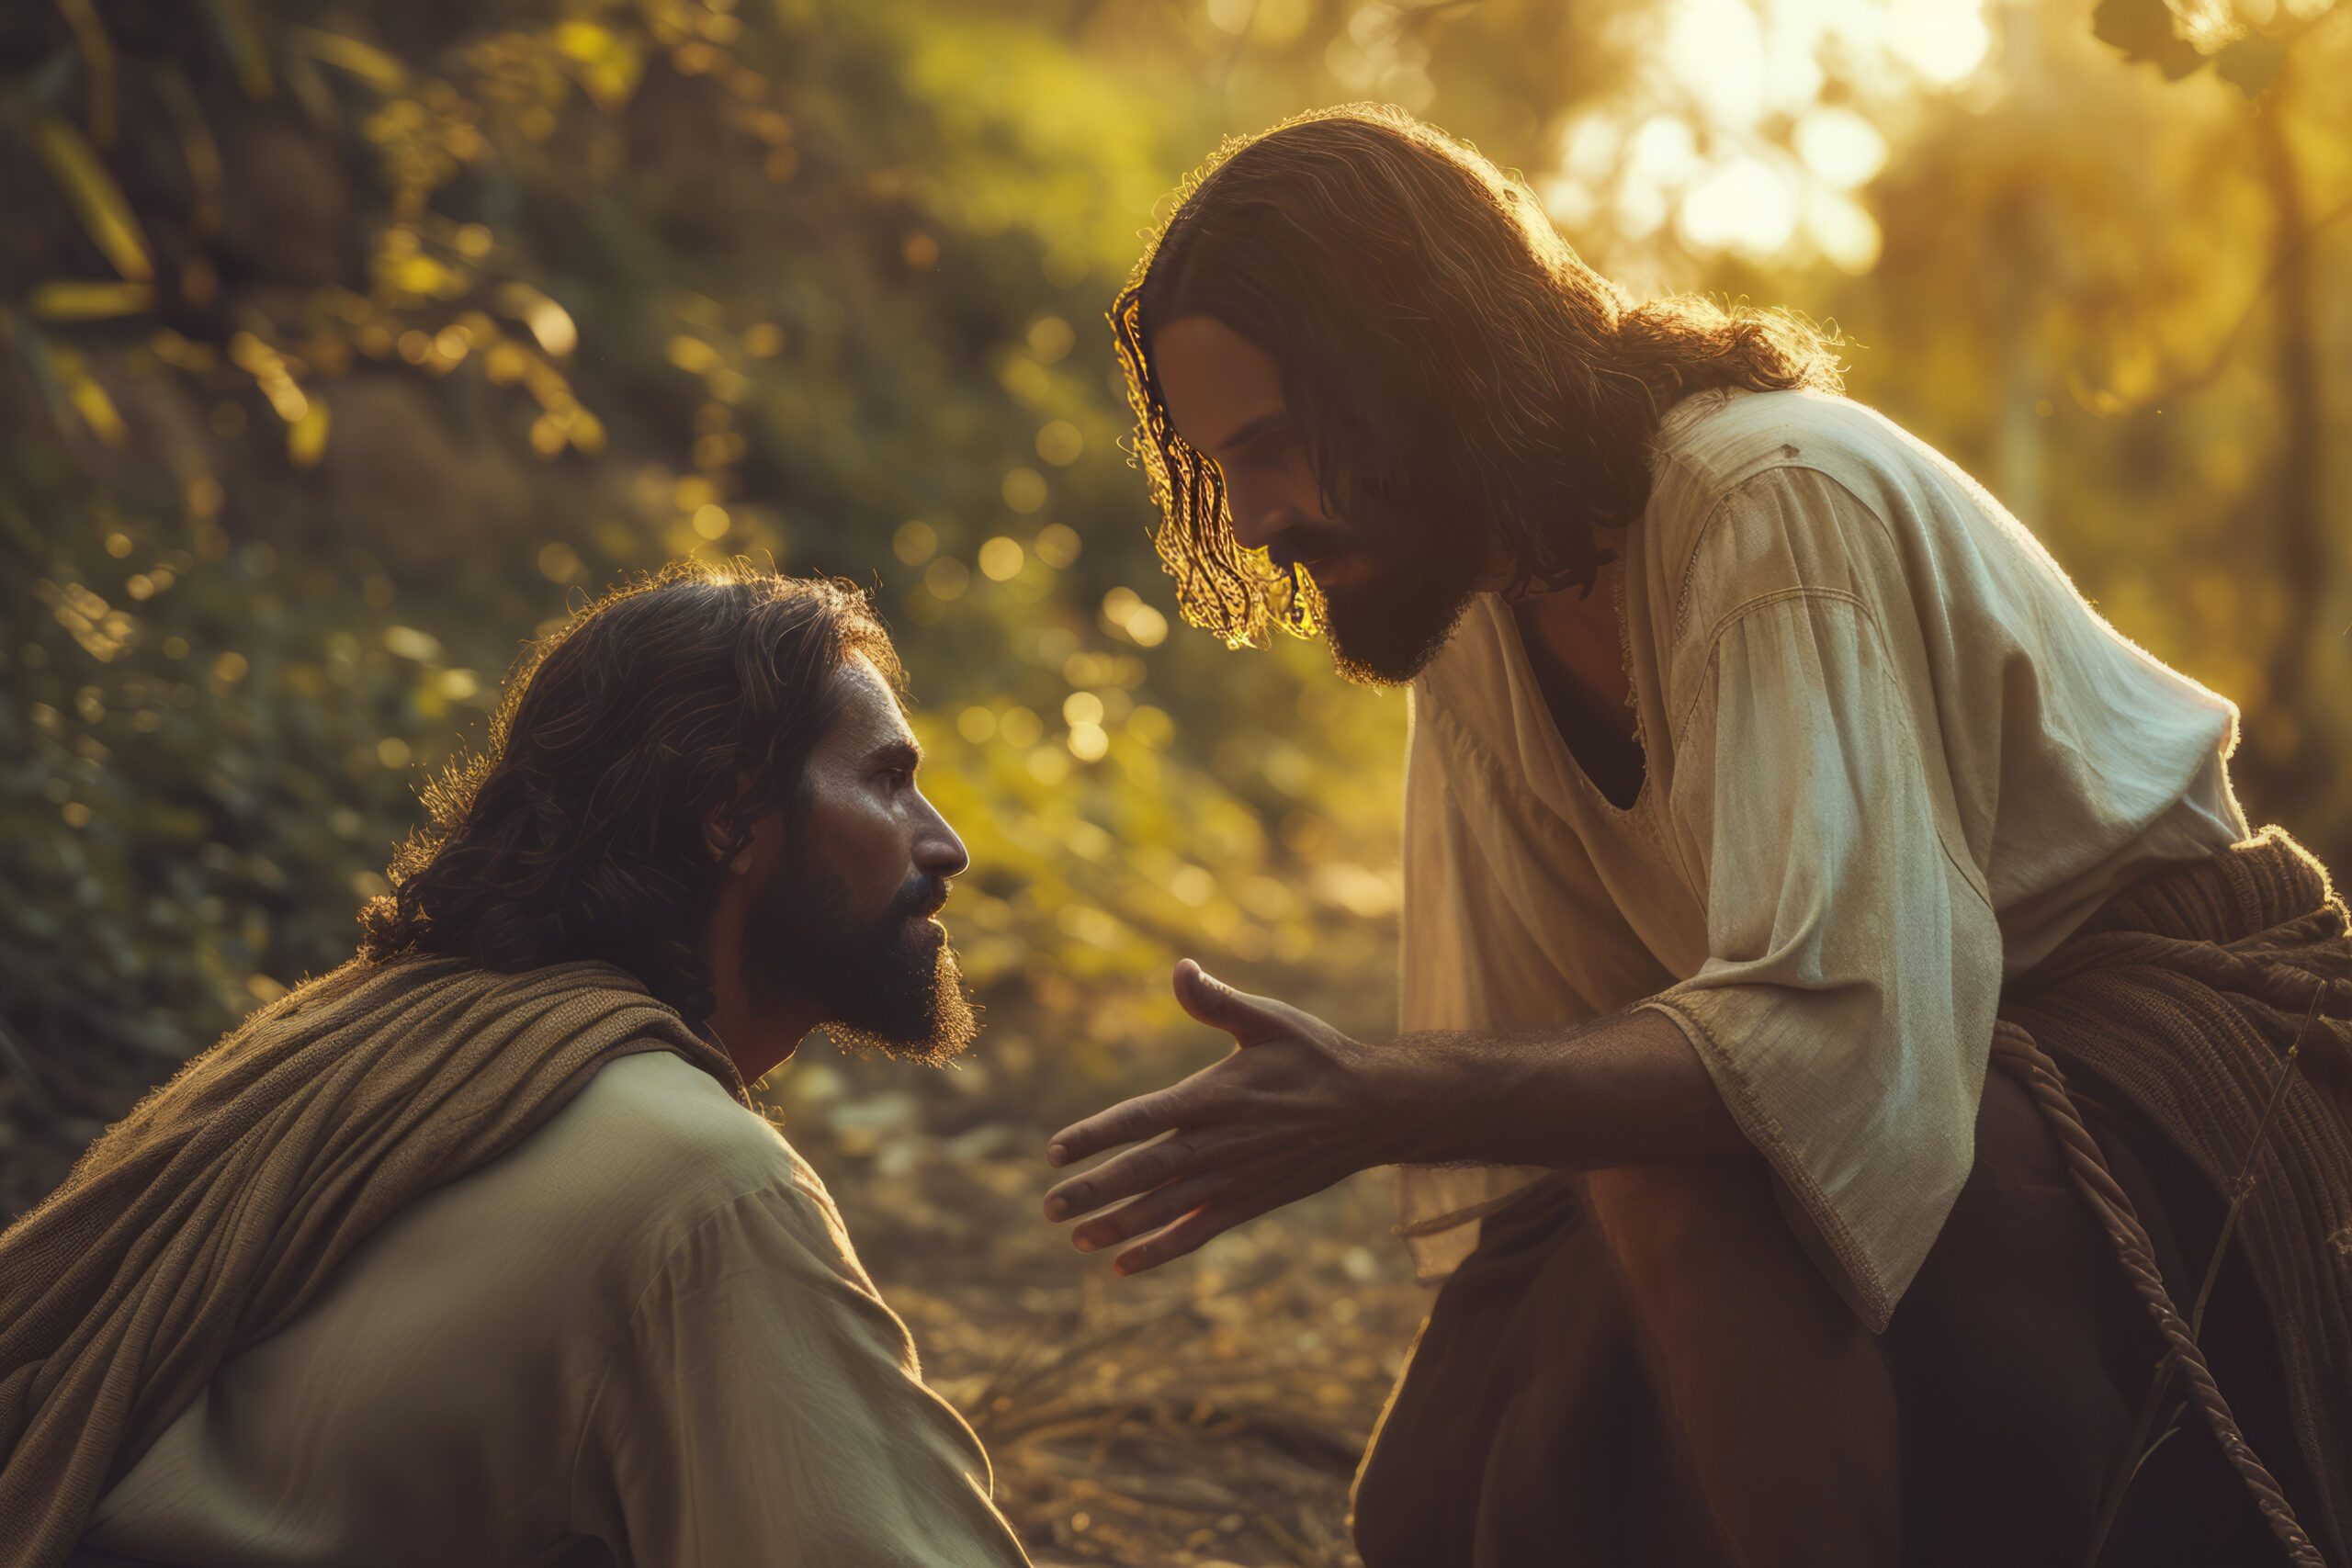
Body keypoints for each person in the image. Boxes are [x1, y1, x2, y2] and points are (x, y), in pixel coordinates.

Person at [1045, 106, 2352, 1567]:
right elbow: (1567, 1063)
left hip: (2173, 1047)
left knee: (1678, 1182)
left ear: (1414, 374)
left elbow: (1835, 1031)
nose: (1260, 514)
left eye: (1280, 444)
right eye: (1225, 465)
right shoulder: (1473, 615)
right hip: (1910, 1072)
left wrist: (1387, 1093)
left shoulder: (1769, 502)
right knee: (1431, 1494)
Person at [0, 565, 1033, 1568]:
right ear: (729, 816)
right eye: (887, 781)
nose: (945, 847)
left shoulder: (375, 1031)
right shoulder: (701, 1184)